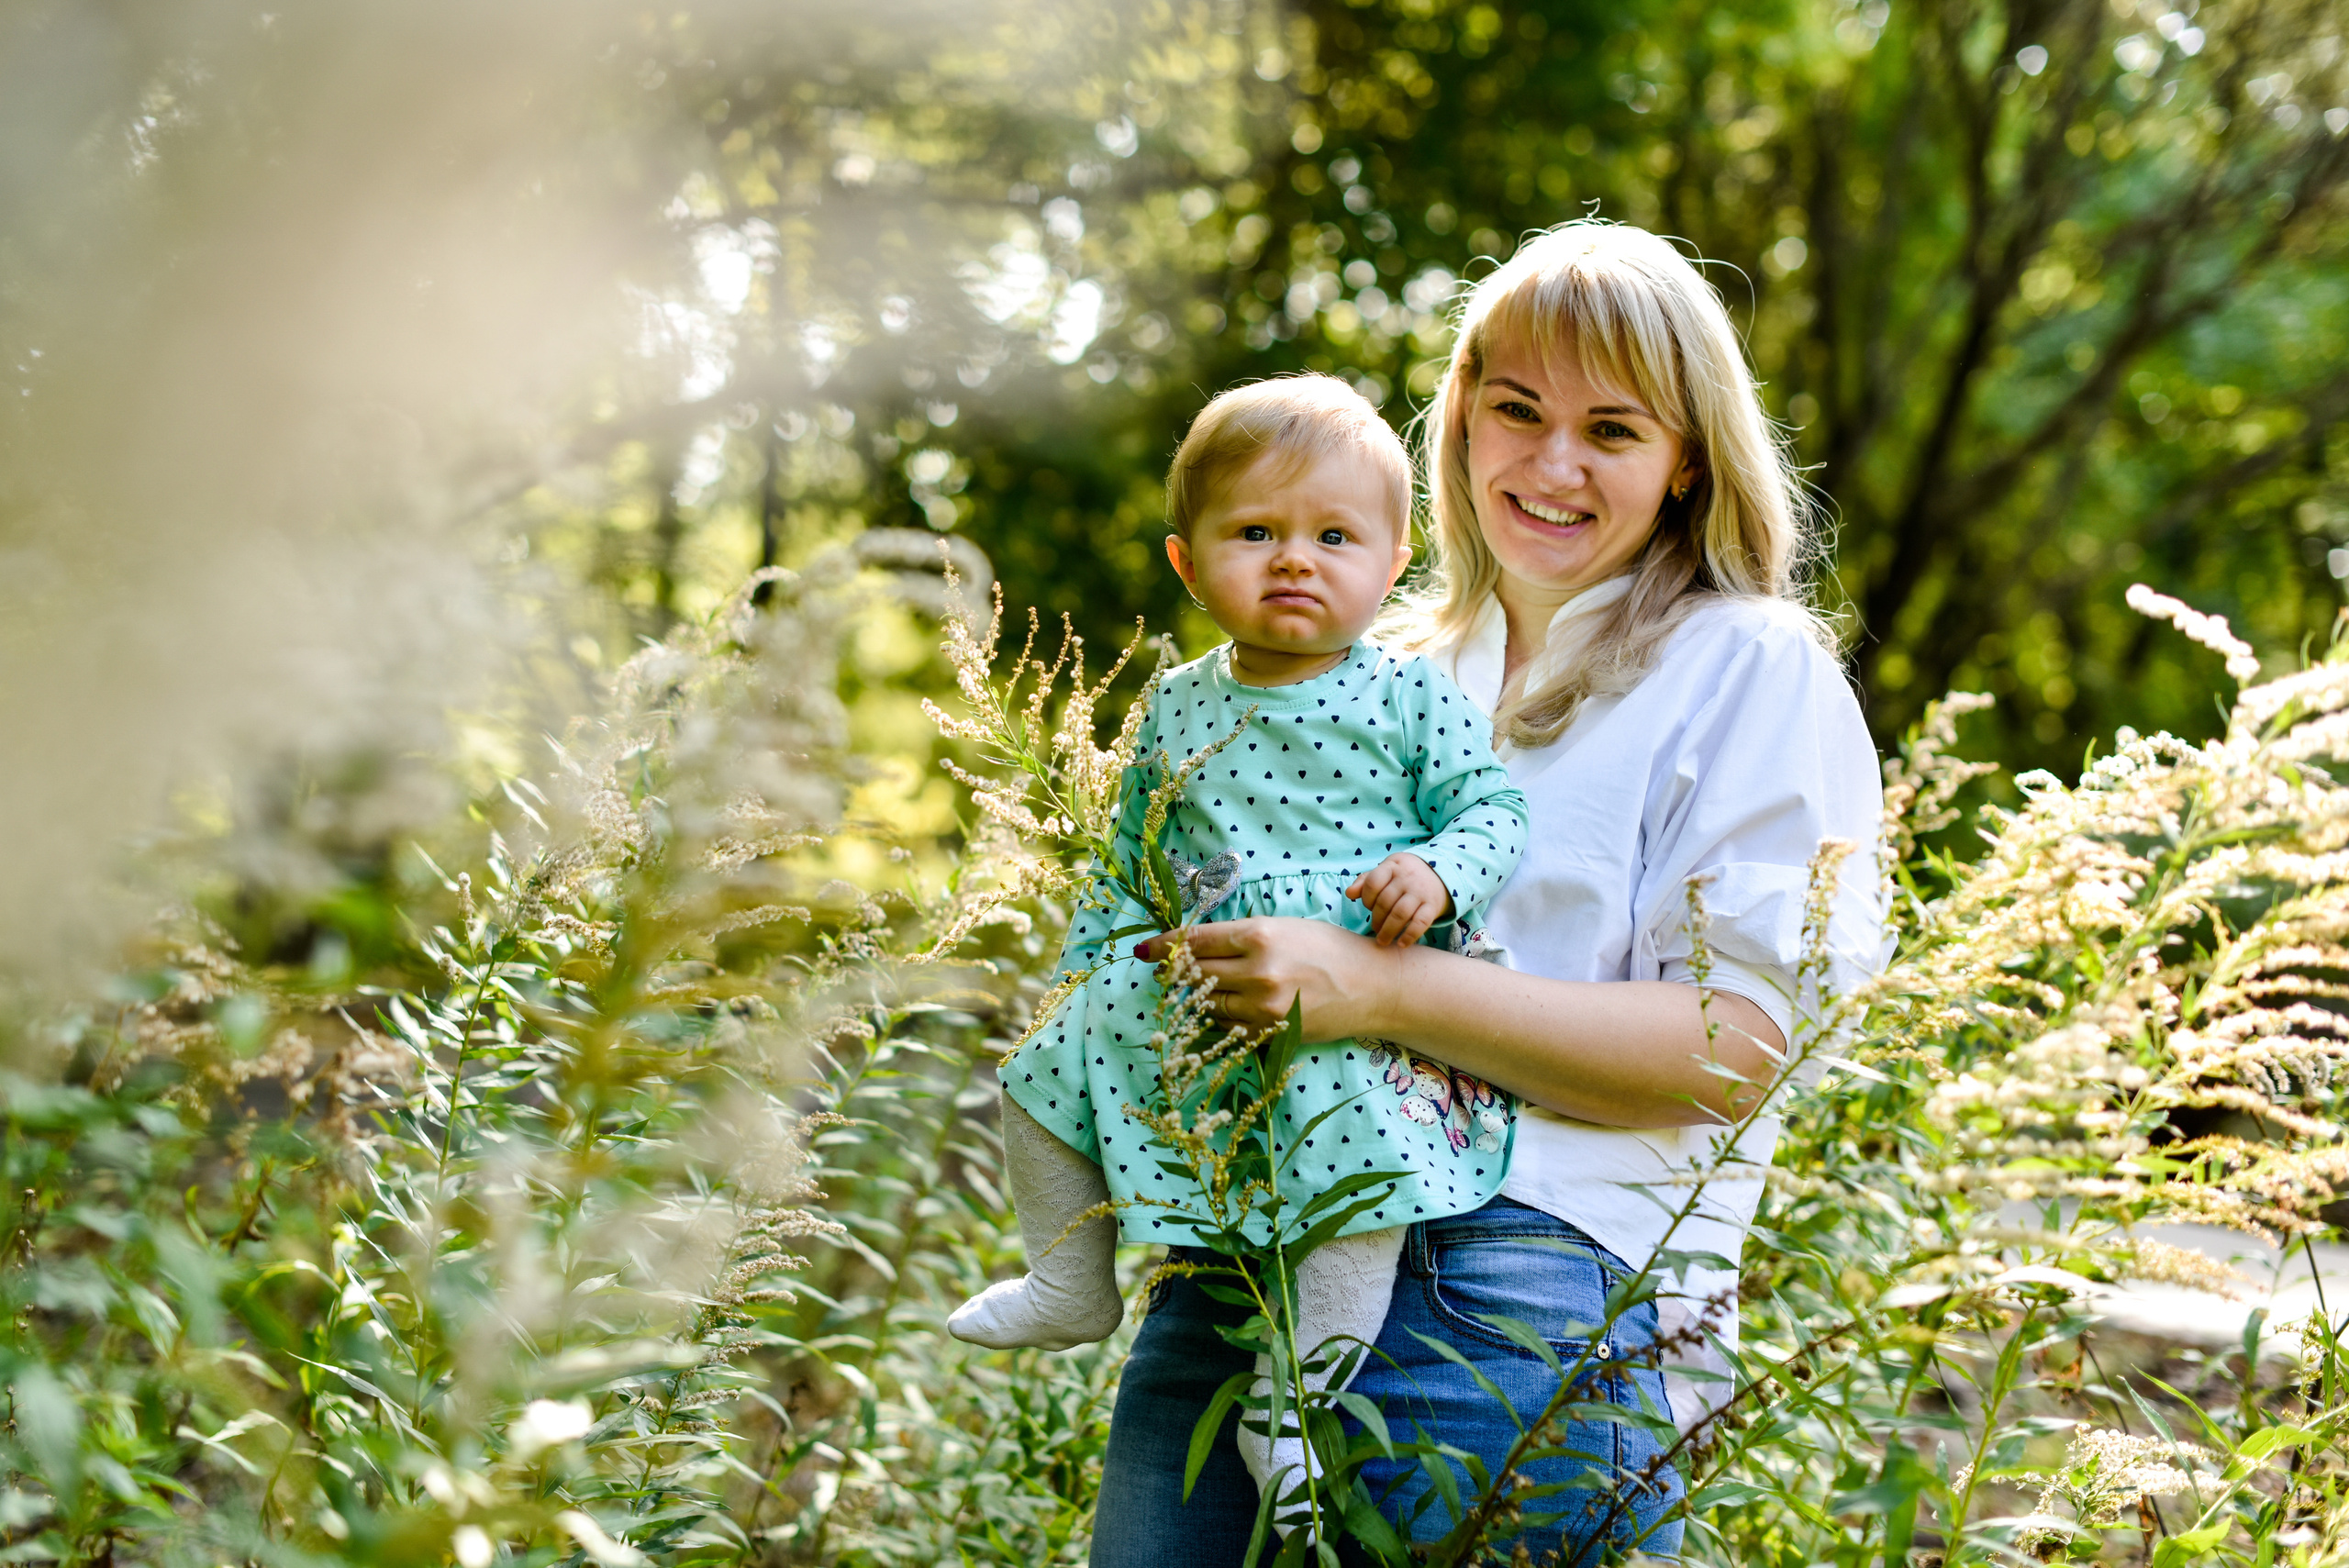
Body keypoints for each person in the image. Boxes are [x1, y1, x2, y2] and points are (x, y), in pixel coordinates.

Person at [1089, 221, 1887, 1566]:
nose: (1552, 463)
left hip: (1519, 1279)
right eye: (1515, 409)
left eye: (1613, 430)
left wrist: (1378, 990)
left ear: (1687, 458)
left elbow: (1733, 1051)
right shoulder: (1379, 663)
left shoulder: (1748, 666)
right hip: (1244, 1270)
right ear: (1456, 416)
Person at [946, 375, 1533, 1530]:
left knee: (1356, 1192)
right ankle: (1070, 1278)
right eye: (1254, 533)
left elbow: (1493, 813)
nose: (1293, 560)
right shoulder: (1173, 704)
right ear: (1186, 561)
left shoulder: (1411, 691)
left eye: (1331, 535)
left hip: (1357, 985)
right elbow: (1135, 856)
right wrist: (1098, 968)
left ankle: (1296, 1400)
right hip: (1202, 975)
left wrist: (1438, 873)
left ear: (1392, 554)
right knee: (1038, 1073)